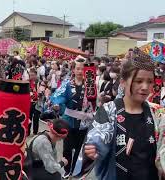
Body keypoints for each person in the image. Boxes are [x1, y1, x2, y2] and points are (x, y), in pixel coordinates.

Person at [74, 48, 165, 180]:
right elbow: (97, 138)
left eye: (149, 81)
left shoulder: (158, 113)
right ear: (122, 82)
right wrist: (92, 150)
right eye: (138, 81)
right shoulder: (108, 111)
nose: (145, 87)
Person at [50, 58, 95, 179]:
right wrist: (57, 103)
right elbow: (58, 96)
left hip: (84, 121)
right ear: (73, 70)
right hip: (69, 120)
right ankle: (66, 169)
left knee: (80, 149)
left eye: (83, 68)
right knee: (68, 148)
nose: (80, 71)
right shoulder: (67, 84)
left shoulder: (91, 85)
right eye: (78, 68)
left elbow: (95, 102)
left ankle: (76, 170)